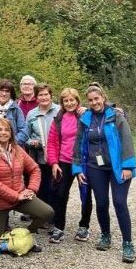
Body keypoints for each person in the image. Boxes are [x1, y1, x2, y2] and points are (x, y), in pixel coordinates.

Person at [73, 83, 136, 263]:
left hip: (117, 167)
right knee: (101, 203)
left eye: (97, 99)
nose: (94, 103)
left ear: (103, 98)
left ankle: (127, 243)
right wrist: (78, 169)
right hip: (95, 167)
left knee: (119, 202)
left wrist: (128, 166)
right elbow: (78, 145)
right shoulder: (85, 119)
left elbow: (127, 141)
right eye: (91, 100)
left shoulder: (116, 116)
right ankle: (105, 235)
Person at [0, 118, 54, 251]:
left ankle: (23, 235)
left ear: (11, 133)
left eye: (7, 130)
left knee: (47, 212)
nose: (3, 133)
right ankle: (4, 233)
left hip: (20, 196)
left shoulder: (17, 149)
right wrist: (16, 196)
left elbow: (35, 169)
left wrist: (31, 189)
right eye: (0, 129)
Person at [46, 87, 93, 244]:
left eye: (72, 100)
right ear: (62, 103)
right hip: (63, 162)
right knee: (60, 195)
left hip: (83, 162)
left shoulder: (85, 116)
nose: (69, 103)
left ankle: (84, 226)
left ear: (78, 101)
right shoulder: (58, 119)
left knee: (85, 195)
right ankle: (59, 228)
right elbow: (52, 143)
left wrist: (86, 112)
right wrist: (53, 163)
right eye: (66, 100)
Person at [25, 83, 59, 209]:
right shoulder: (31, 114)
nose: (44, 97)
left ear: (51, 96)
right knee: (43, 187)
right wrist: (31, 142)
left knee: (56, 187)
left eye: (46, 94)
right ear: (36, 97)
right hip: (40, 156)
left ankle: (55, 216)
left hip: (57, 156)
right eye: (40, 95)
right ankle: (44, 215)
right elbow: (25, 136)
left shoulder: (59, 110)